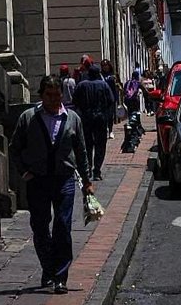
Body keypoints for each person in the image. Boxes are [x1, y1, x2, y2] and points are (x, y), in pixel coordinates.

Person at [10, 74, 92, 293]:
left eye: (58, 95)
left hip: (64, 179)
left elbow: (81, 151)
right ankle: (48, 267)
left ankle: (61, 276)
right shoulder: (29, 118)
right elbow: (14, 148)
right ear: (41, 95)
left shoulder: (72, 118)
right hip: (37, 180)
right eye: (50, 95)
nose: (55, 100)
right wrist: (24, 172)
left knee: (63, 226)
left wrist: (87, 180)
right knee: (40, 226)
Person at [72, 63, 115, 181]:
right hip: (100, 119)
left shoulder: (81, 85)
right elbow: (111, 101)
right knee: (100, 145)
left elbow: (75, 101)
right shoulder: (104, 85)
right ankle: (97, 171)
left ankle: (88, 168)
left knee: (86, 145)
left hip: (85, 119)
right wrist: (106, 113)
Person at [100, 59, 119, 139]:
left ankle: (111, 131)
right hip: (102, 98)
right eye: (103, 65)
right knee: (103, 115)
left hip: (111, 97)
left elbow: (116, 87)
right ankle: (105, 130)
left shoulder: (112, 75)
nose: (105, 67)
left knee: (110, 115)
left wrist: (116, 98)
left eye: (106, 65)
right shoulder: (100, 75)